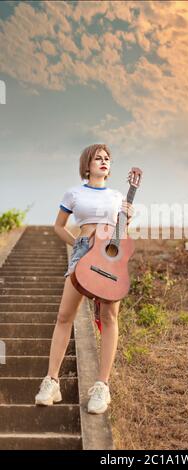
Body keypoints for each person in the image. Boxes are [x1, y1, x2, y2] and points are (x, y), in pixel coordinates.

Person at [35, 143, 134, 414]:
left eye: (107, 158)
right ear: (87, 164)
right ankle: (52, 382)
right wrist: (77, 242)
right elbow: (58, 226)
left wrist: (128, 219)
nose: (103, 161)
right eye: (98, 158)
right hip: (82, 253)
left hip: (109, 255)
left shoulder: (117, 196)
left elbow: (120, 233)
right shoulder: (74, 193)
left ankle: (102, 386)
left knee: (110, 317)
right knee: (64, 315)